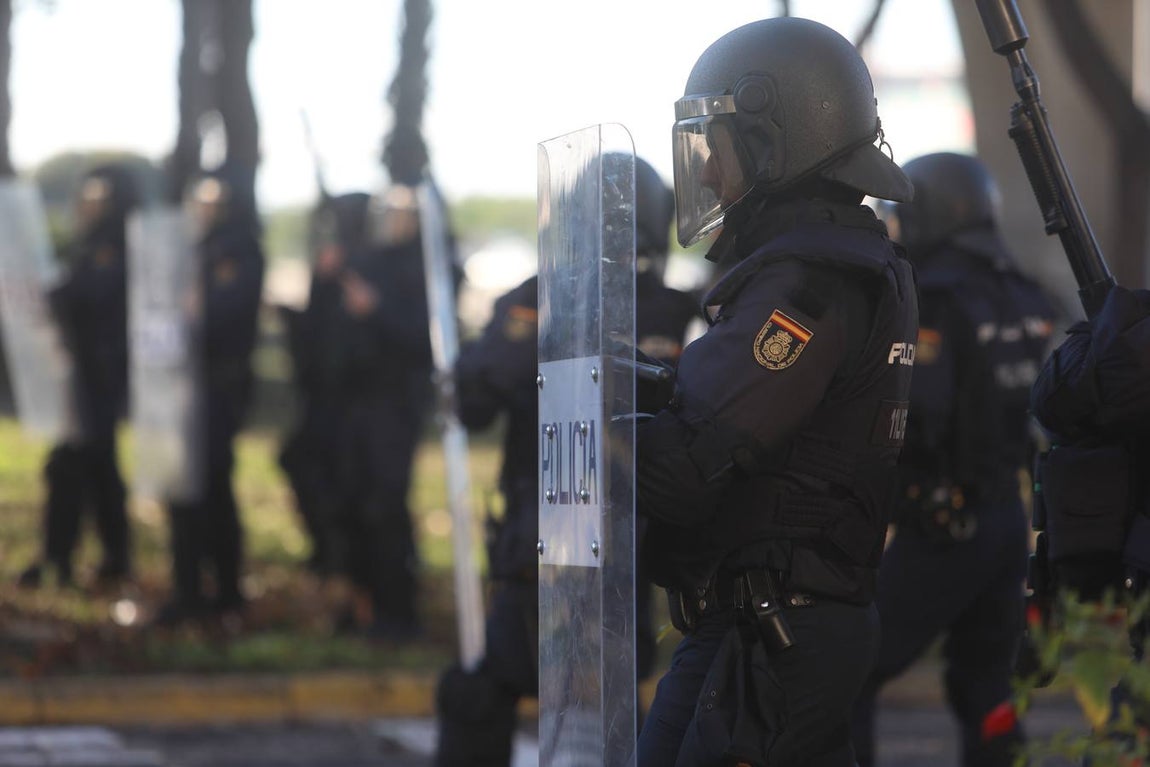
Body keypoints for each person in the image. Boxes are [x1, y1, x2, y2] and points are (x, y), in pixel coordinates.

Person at [633, 17, 919, 766]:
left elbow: (685, 467)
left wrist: (597, 417)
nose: (705, 175)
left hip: (780, 634)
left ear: (771, 141)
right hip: (752, 624)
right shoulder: (833, 263)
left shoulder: (812, 285)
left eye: (716, 147)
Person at [433, 156, 696, 767]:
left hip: (621, 530)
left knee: (606, 693)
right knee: (502, 682)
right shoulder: (541, 297)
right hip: (547, 528)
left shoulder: (672, 309)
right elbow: (475, 397)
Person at [848, 152, 1059, 767]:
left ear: (932, 213)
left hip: (944, 526)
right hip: (1006, 519)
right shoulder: (1026, 293)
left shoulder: (934, 296)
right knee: (987, 686)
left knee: (851, 670)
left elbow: (918, 415)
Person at [18, 164, 140, 590]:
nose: (85, 205)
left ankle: (66, 558)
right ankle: (104, 558)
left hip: (99, 378)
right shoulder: (91, 243)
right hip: (84, 375)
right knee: (92, 467)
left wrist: (51, 295)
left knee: (73, 466)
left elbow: (92, 295)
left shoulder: (114, 246)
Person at [154, 166, 265, 626]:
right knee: (183, 489)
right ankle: (188, 589)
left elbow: (219, 316)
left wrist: (191, 309)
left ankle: (224, 591)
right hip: (183, 388)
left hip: (218, 390)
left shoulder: (238, 251)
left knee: (213, 488)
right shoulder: (190, 248)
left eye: (212, 203)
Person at [331, 183, 439, 642]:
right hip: (357, 401)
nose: (394, 223)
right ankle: (363, 605)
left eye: (403, 216)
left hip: (397, 403)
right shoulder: (367, 261)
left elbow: (423, 336)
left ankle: (399, 613)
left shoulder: (425, 268)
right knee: (353, 502)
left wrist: (376, 309)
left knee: (387, 505)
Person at [277, 192, 370, 577]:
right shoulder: (327, 273)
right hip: (322, 397)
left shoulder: (362, 268)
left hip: (351, 403)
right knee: (300, 461)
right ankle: (327, 551)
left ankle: (342, 558)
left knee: (343, 480)